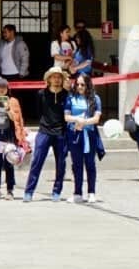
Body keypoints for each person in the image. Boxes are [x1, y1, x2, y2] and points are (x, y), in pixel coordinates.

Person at [23, 67, 70, 202]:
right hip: (44, 131)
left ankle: (57, 191)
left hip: (61, 132)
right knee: (37, 161)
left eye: (59, 77)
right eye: (53, 76)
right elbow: (39, 111)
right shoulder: (41, 94)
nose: (56, 79)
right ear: (48, 79)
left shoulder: (67, 95)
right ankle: (29, 191)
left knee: (61, 163)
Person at [66, 73, 103, 203]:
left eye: (83, 84)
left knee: (90, 163)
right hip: (74, 134)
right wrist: (77, 120)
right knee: (76, 164)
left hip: (89, 134)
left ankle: (91, 192)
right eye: (78, 84)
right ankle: (77, 193)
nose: (80, 87)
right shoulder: (70, 98)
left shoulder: (95, 99)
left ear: (88, 85)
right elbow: (67, 117)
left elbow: (96, 118)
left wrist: (84, 122)